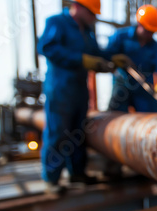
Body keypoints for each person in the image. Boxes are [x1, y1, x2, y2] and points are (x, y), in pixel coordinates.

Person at [38, 0, 113, 193]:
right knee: (58, 131)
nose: (93, 18)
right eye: (91, 14)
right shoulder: (57, 22)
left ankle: (77, 173)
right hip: (60, 87)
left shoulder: (87, 31)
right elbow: (46, 48)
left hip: (79, 89)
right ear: (78, 7)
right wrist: (80, 59)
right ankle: (52, 179)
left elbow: (96, 53)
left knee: (77, 132)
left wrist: (111, 60)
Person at [105, 4, 157, 113]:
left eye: (152, 32)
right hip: (123, 84)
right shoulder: (120, 37)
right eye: (148, 30)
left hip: (144, 87)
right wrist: (113, 60)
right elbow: (105, 56)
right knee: (117, 114)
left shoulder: (155, 46)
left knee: (151, 116)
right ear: (140, 24)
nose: (150, 34)